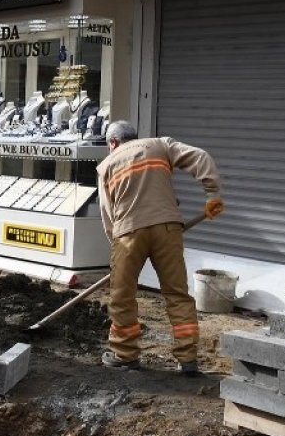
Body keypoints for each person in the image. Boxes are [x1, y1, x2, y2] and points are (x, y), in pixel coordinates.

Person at [96, 120, 224, 376]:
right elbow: (201, 157)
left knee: (123, 296)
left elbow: (107, 214)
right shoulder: (160, 145)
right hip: (168, 228)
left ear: (113, 142)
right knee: (177, 294)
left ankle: (125, 355)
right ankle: (188, 359)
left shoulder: (106, 165)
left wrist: (117, 251)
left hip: (128, 233)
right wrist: (212, 195)